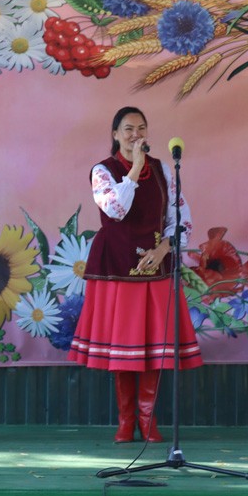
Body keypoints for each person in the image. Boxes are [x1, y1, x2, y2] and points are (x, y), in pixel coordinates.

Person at [69, 106, 202, 443]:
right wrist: (135, 170)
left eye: (141, 128)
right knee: (123, 348)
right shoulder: (103, 170)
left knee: (154, 347)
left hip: (155, 266)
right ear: (115, 134)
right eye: (128, 129)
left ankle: (148, 417)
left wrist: (164, 249)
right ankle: (126, 420)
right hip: (116, 267)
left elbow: (181, 218)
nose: (135, 135)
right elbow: (115, 209)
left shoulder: (163, 171)